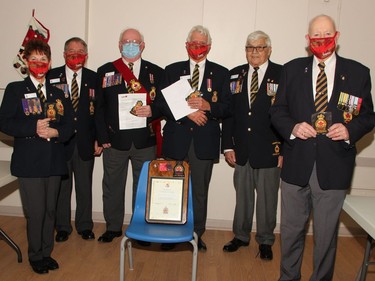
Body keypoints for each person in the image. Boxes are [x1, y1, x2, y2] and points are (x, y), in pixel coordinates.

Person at [269, 14, 375, 280]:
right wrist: (292, 127)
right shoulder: (291, 70)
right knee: (292, 231)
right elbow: (278, 111)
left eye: (327, 35)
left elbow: (368, 116)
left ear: (336, 36)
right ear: (308, 39)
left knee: (326, 238)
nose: (322, 41)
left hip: (334, 167)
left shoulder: (358, 73)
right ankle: (288, 277)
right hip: (296, 166)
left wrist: (350, 130)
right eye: (316, 36)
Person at [139, 25, 231, 251]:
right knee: (171, 189)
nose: (197, 48)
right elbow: (160, 105)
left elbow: (228, 108)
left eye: (201, 44)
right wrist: (188, 113)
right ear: (186, 45)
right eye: (193, 43)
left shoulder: (221, 73)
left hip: (204, 143)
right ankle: (169, 234)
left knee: (199, 192)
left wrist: (209, 106)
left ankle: (195, 235)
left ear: (208, 46)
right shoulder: (172, 70)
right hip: (176, 140)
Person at [0, 39, 73, 274]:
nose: (39, 63)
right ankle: (35, 256)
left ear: (50, 63)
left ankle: (46, 252)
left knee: (51, 210)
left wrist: (57, 132)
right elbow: (4, 122)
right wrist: (33, 128)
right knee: (36, 212)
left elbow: (71, 125)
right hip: (29, 161)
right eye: (34, 59)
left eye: (43, 60)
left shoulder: (59, 92)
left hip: (54, 159)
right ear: (26, 61)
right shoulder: (14, 89)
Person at [95, 28, 164, 243]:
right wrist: (102, 136)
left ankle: (140, 228)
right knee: (112, 185)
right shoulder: (105, 71)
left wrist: (154, 110)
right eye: (126, 41)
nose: (130, 44)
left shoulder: (156, 72)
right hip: (115, 141)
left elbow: (165, 105)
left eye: (135, 41)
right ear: (119, 45)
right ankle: (113, 227)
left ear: (143, 45)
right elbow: (98, 108)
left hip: (145, 140)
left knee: (143, 188)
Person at [221, 31, 282, 260]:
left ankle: (265, 240)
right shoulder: (235, 74)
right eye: (250, 47)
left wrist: (285, 150)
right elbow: (228, 114)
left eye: (259, 47)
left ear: (269, 49)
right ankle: (241, 236)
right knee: (243, 198)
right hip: (242, 149)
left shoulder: (282, 74)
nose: (254, 52)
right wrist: (227, 146)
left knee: (267, 200)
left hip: (270, 150)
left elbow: (288, 114)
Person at [48, 37, 102, 243]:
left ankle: (85, 225)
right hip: (60, 143)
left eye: (80, 51)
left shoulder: (93, 77)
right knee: (62, 188)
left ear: (86, 55)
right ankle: (62, 227)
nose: (76, 54)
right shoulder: (52, 76)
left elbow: (99, 112)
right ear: (63, 54)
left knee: (84, 186)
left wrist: (98, 139)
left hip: (86, 142)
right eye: (71, 50)